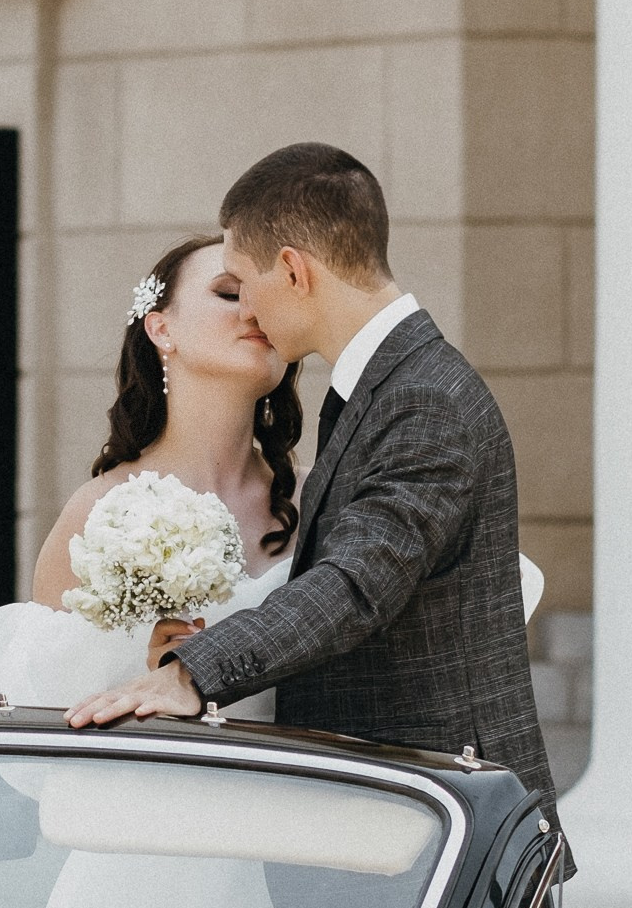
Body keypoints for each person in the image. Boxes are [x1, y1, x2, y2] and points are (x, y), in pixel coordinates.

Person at [66, 143, 559, 817]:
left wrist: (193, 673)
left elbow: (355, 585)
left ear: (293, 271)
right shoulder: (386, 387)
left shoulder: (421, 400)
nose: (247, 314)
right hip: (386, 823)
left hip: (432, 828)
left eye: (243, 285)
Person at [0, 233, 303, 714]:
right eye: (229, 293)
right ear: (161, 329)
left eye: (265, 297)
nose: (253, 312)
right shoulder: (97, 510)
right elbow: (42, 705)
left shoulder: (319, 498)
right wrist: (148, 665)